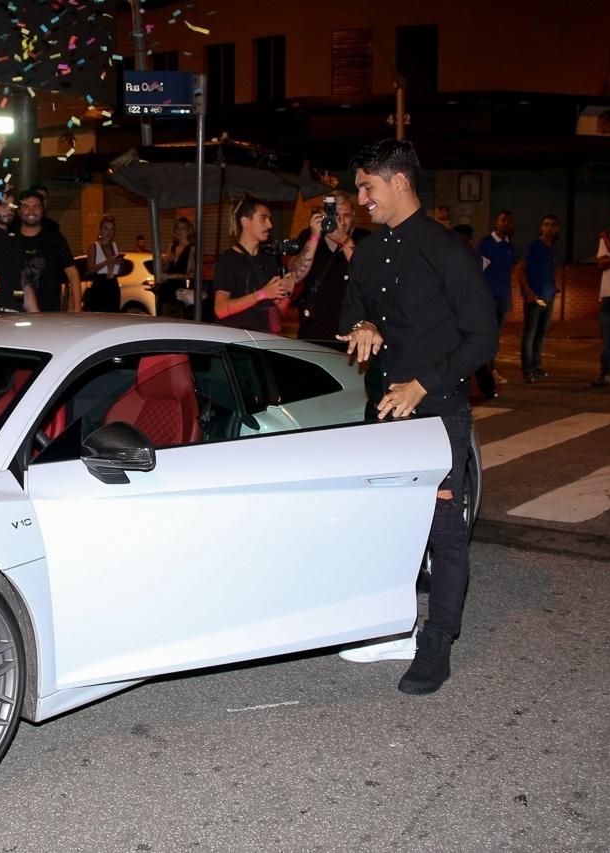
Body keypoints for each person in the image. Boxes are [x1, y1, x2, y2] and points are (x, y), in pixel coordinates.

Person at [336, 138, 498, 695]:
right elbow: (353, 308)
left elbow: (484, 336)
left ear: (399, 182)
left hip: (437, 414)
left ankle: (438, 642)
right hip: (384, 413)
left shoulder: (445, 250)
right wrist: (363, 326)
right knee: (384, 523)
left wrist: (424, 383)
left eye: (367, 188)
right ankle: (391, 623)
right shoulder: (373, 250)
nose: (361, 200)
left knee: (443, 533)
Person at [289, 191, 367, 340]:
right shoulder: (309, 236)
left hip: (350, 331)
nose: (341, 222)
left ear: (354, 215)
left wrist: (343, 239)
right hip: (313, 331)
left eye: (347, 216)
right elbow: (296, 275)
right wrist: (314, 237)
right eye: (336, 216)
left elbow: (367, 273)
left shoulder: (363, 238)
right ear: (324, 215)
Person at [212, 195, 293, 333]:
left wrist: (287, 294)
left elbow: (279, 310)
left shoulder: (269, 258)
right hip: (237, 340)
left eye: (269, 219)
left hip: (264, 338)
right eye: (263, 218)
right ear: (245, 221)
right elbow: (220, 310)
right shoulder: (228, 260)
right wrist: (261, 294)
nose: (270, 225)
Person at [16, 189, 81, 312]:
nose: (31, 211)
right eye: (26, 206)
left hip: (50, 314)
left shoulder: (55, 238)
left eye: (36, 206)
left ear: (43, 210)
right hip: (16, 313)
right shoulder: (10, 239)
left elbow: (72, 273)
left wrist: (77, 309)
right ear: (19, 211)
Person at [476, 211, 517, 391]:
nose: (506, 223)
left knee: (496, 337)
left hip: (504, 297)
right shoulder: (486, 244)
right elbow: (478, 270)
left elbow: (508, 273)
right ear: (496, 222)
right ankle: (487, 372)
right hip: (488, 298)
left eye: (509, 221)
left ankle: (492, 370)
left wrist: (511, 297)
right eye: (503, 220)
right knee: (488, 336)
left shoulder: (510, 246)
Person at [520, 214, 561, 383]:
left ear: (557, 229)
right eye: (546, 225)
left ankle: (536, 367)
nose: (549, 228)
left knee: (541, 334)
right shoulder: (534, 246)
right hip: (535, 298)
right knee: (530, 334)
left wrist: (555, 287)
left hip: (549, 297)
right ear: (541, 227)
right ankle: (528, 370)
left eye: (553, 225)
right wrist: (529, 292)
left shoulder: (553, 248)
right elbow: (520, 270)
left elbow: (550, 271)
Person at [594, 212, 610, 387]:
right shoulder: (607, 239)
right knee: (607, 341)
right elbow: (601, 263)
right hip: (609, 297)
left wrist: (605, 238)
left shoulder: (606, 238)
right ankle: (606, 374)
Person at [156, 217, 196, 318]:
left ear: (189, 231)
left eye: (183, 228)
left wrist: (170, 276)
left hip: (181, 292)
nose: (179, 231)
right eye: (177, 228)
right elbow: (166, 269)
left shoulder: (192, 248)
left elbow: (191, 274)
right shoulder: (172, 246)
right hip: (167, 291)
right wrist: (165, 263)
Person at [83, 215, 123, 312]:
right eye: (106, 228)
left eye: (111, 229)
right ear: (101, 230)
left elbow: (120, 271)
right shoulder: (94, 246)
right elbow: (90, 269)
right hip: (100, 286)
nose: (108, 232)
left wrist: (120, 263)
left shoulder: (114, 245)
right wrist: (106, 262)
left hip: (113, 286)